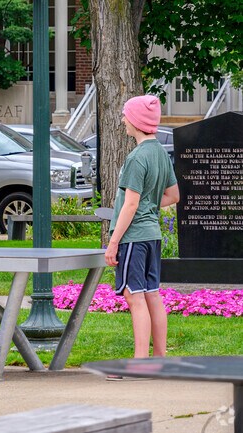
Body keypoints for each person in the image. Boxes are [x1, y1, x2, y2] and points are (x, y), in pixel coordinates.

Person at [104, 95, 180, 367]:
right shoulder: (160, 152)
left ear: (135, 121)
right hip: (153, 235)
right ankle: (160, 359)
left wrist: (113, 242)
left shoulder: (136, 158)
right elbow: (173, 195)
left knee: (134, 297)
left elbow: (131, 203)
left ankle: (141, 362)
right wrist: (149, 202)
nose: (123, 120)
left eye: (125, 116)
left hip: (134, 237)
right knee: (152, 294)